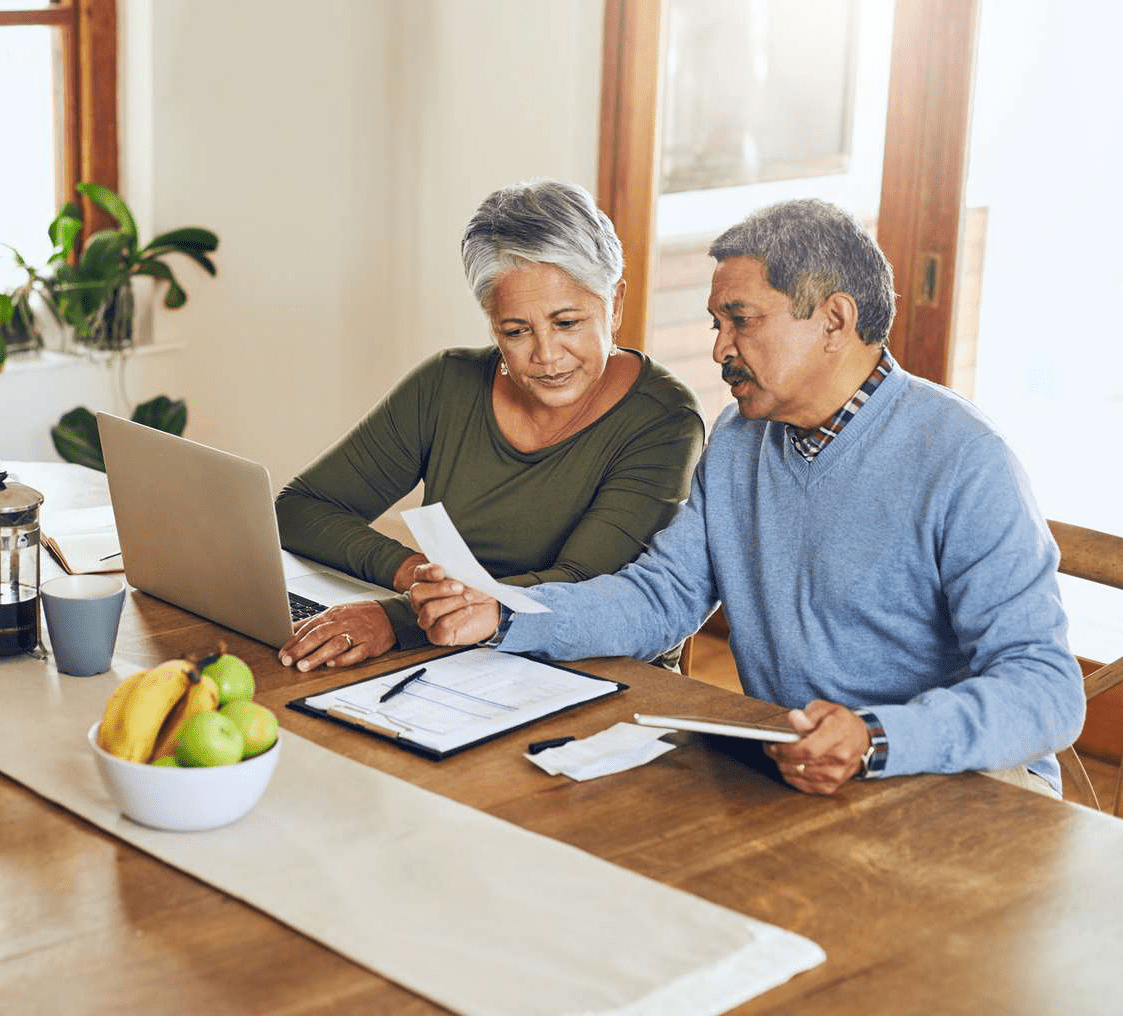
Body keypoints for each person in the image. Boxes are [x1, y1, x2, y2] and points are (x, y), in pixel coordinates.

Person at [409, 198, 1085, 798]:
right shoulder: (739, 439)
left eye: (741, 320)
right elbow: (659, 597)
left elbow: (1046, 691)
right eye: (715, 323)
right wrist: (503, 614)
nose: (718, 348)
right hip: (804, 779)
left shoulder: (966, 459)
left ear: (834, 319)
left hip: (966, 791)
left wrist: (876, 737)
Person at [274, 180, 705, 672]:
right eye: (516, 331)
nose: (546, 356)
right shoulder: (447, 384)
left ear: (616, 304)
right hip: (454, 658)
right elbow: (301, 509)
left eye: (568, 323)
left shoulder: (664, 419)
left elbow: (582, 584)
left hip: (593, 671)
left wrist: (398, 619)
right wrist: (417, 577)